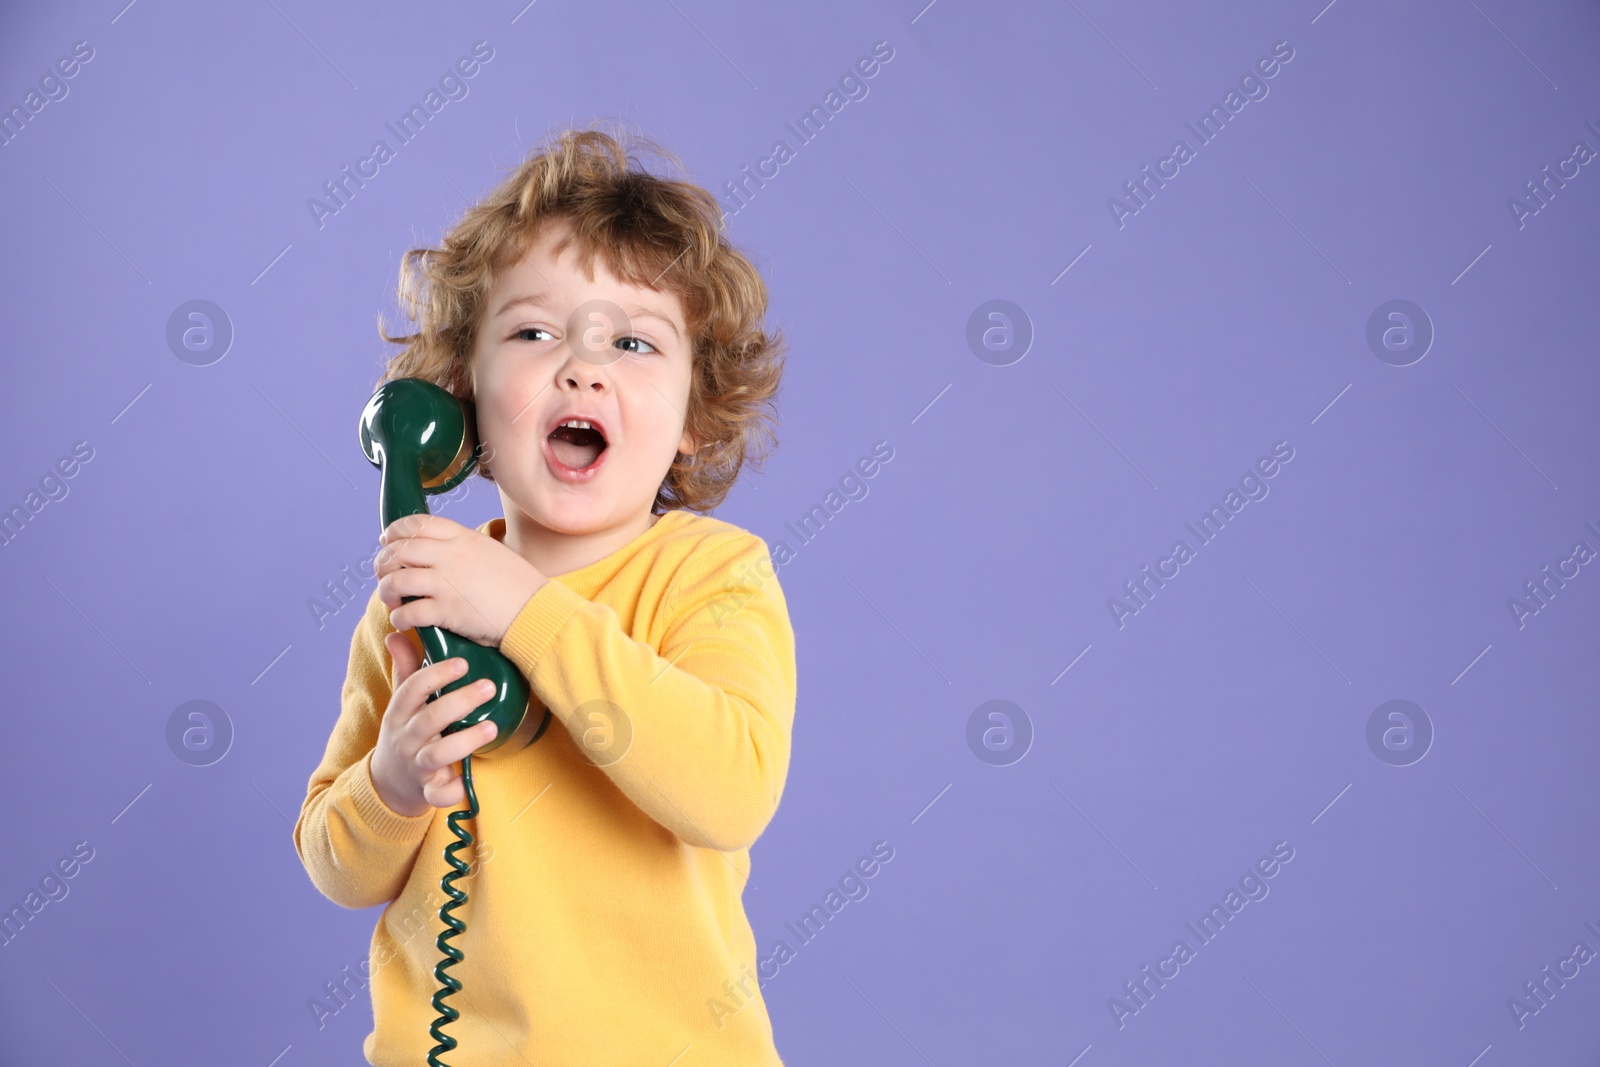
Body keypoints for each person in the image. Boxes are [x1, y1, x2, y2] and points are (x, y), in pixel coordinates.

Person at [292, 122, 795, 1066]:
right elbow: (333, 858)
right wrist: (393, 783)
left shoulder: (712, 577)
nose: (582, 365)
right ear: (459, 398)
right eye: (533, 331)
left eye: (636, 343)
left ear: (695, 415)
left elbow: (730, 791)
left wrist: (527, 612)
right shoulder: (416, 591)